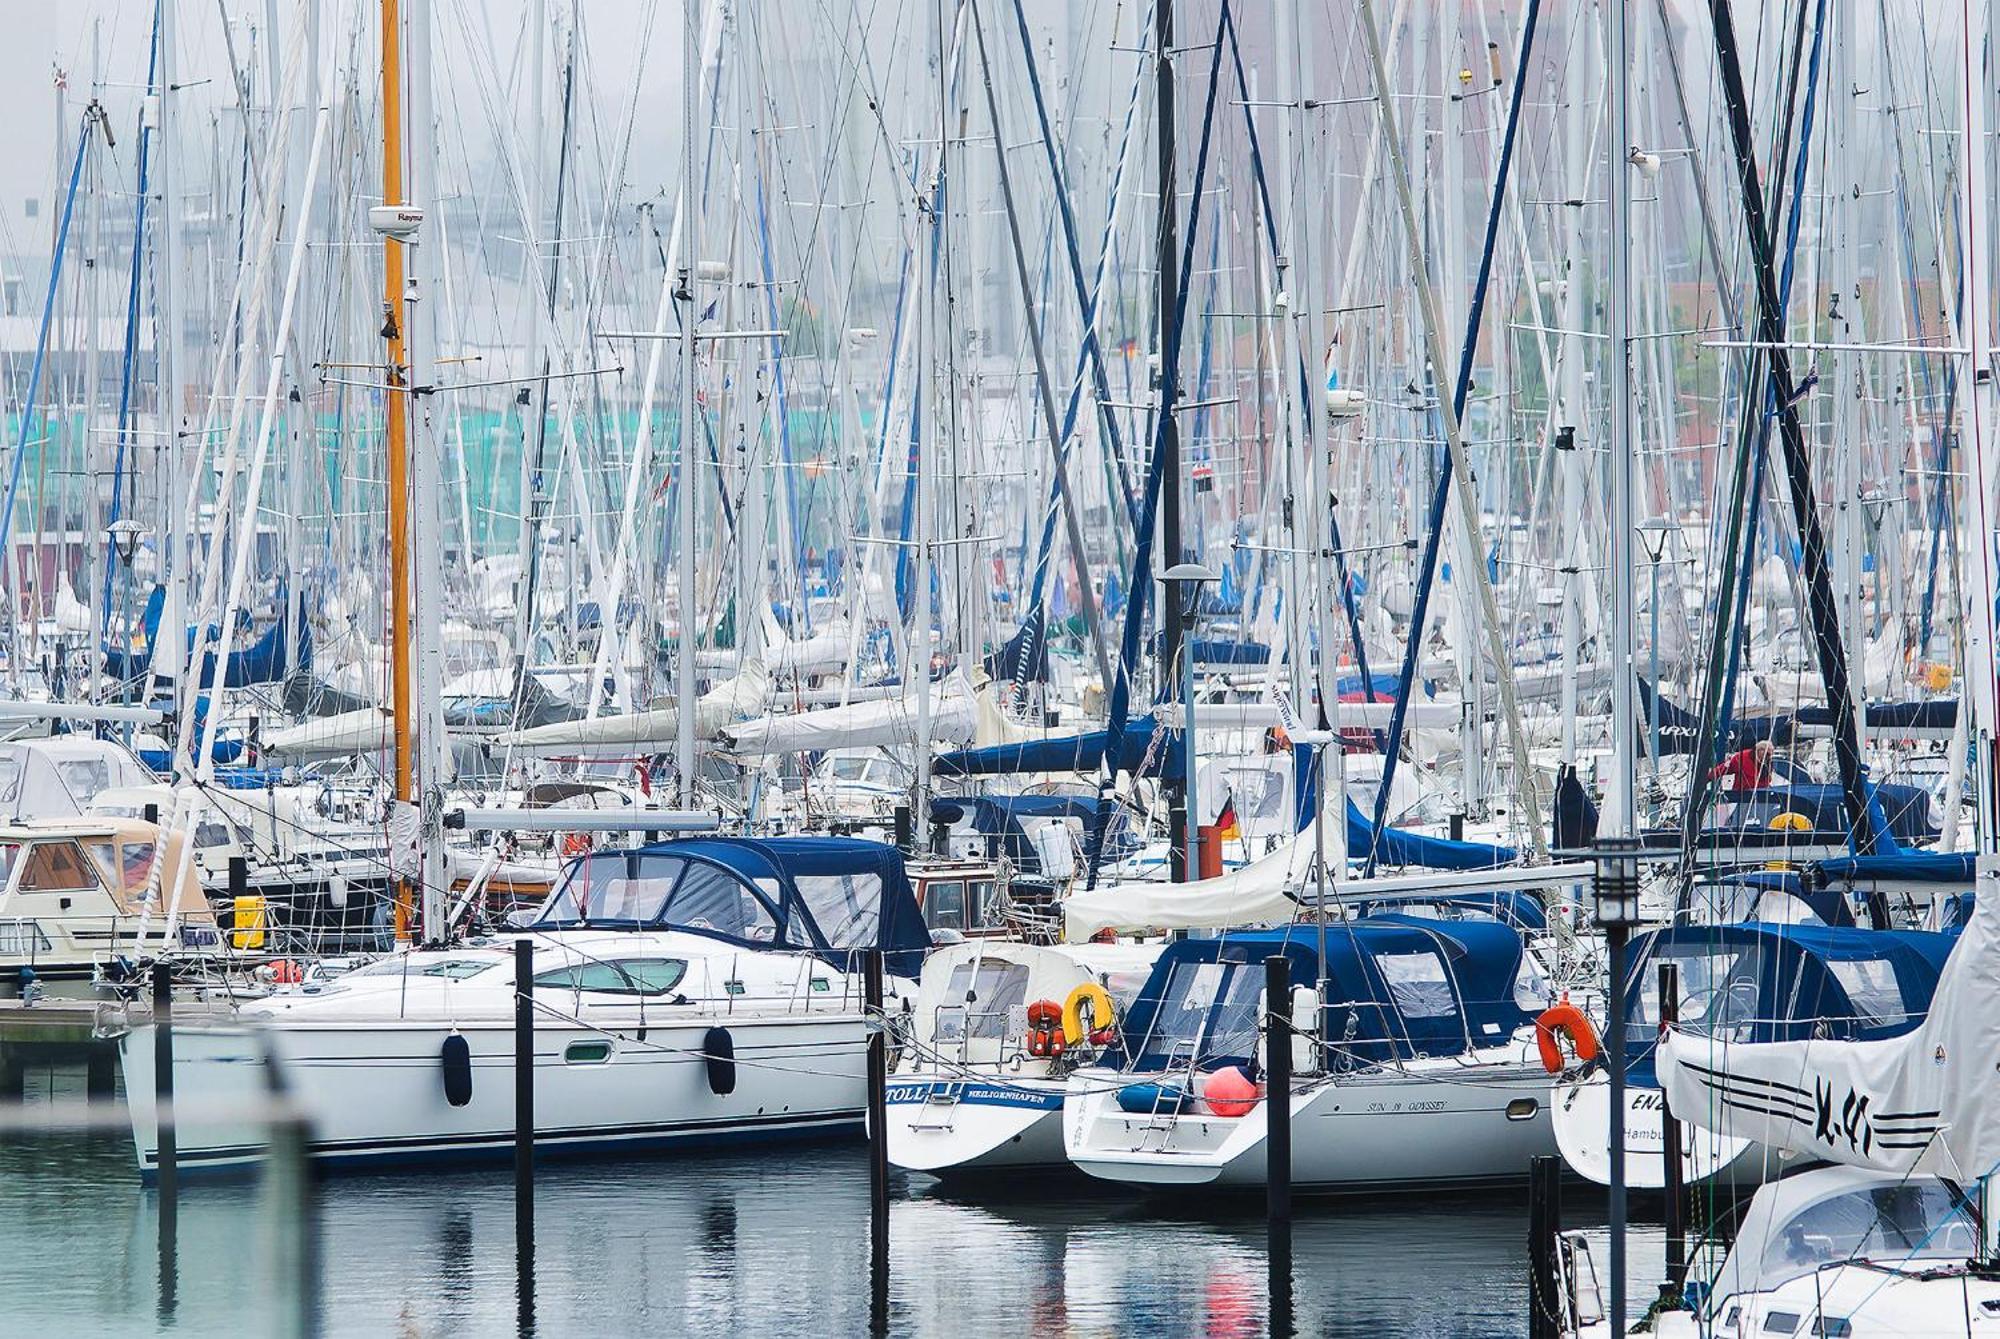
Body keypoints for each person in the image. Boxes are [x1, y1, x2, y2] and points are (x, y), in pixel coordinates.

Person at [1708, 739, 1775, 792]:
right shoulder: (1741, 757)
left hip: (1761, 792)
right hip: (1742, 793)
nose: (1769, 757)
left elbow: (1768, 779)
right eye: (1768, 754)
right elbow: (1725, 768)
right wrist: (1709, 777)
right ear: (1761, 750)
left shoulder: (1767, 761)